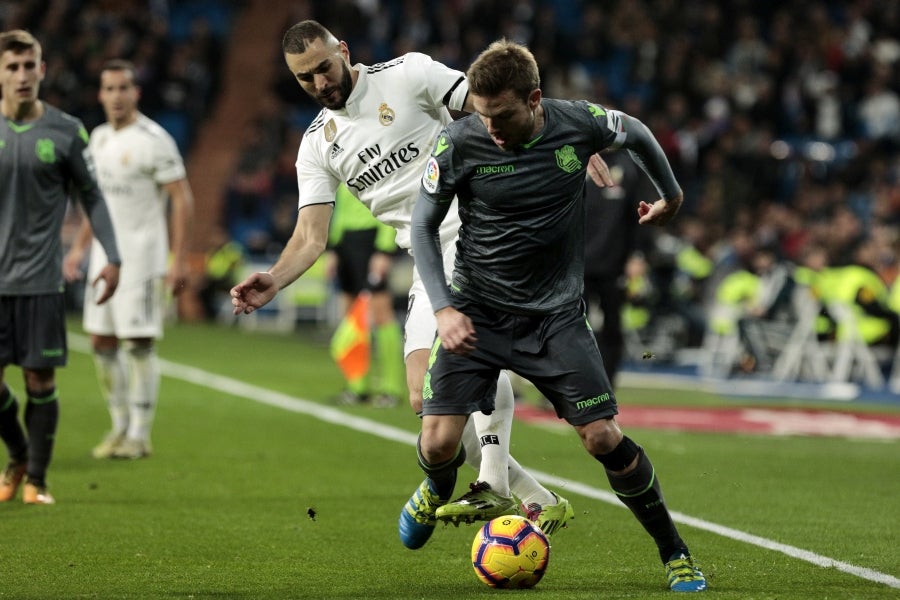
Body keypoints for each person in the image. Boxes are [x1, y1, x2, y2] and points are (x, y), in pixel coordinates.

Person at [230, 21, 611, 543]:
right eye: (304, 78)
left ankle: (492, 481)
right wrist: (274, 279)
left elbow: (495, 101)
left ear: (343, 51)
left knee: (471, 346)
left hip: (482, 234)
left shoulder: (410, 74)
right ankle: (538, 500)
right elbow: (310, 236)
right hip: (426, 255)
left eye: (324, 67)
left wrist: (561, 133)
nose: (320, 82)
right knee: (421, 397)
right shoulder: (317, 144)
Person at [409, 40, 707, 592]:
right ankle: (435, 484)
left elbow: (636, 130)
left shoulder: (577, 123)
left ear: (535, 99)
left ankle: (675, 552)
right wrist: (445, 307)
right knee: (437, 445)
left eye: (502, 115)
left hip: (555, 318)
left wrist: (671, 196)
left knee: (601, 437)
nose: (491, 128)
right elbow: (422, 226)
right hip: (477, 312)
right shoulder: (457, 142)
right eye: (482, 115)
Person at [0, 30, 121, 504]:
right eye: (12, 67)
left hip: (40, 281)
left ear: (43, 69)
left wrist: (113, 256)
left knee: (39, 381)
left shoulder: (67, 131)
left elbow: (92, 196)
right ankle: (19, 455)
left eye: (30, 66)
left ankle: (37, 481)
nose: (23, 76)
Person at [63, 59, 194, 460]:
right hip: (105, 258)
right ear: (100, 94)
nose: (116, 96)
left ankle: (140, 433)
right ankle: (118, 427)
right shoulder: (97, 139)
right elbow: (94, 203)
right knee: (101, 342)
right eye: (109, 88)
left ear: (136, 92)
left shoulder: (154, 139)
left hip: (142, 259)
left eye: (124, 88)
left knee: (137, 343)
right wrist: (79, 249)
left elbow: (181, 199)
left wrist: (179, 259)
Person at [327, 183, 405, 406]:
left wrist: (384, 249)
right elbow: (339, 207)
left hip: (372, 241)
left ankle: (391, 389)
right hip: (346, 244)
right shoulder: (344, 162)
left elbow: (390, 205)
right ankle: (357, 387)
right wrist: (334, 248)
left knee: (381, 315)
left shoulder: (378, 160)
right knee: (351, 317)